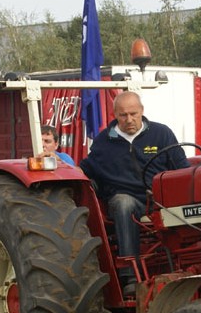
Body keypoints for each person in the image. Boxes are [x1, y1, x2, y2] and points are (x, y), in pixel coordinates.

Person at [80, 91, 189, 296]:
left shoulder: (161, 134)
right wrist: (58, 163)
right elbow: (84, 170)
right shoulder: (103, 142)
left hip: (158, 199)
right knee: (123, 203)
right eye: (123, 115)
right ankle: (130, 275)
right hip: (126, 200)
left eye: (133, 114)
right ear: (115, 115)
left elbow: (182, 168)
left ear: (142, 111)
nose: (129, 119)